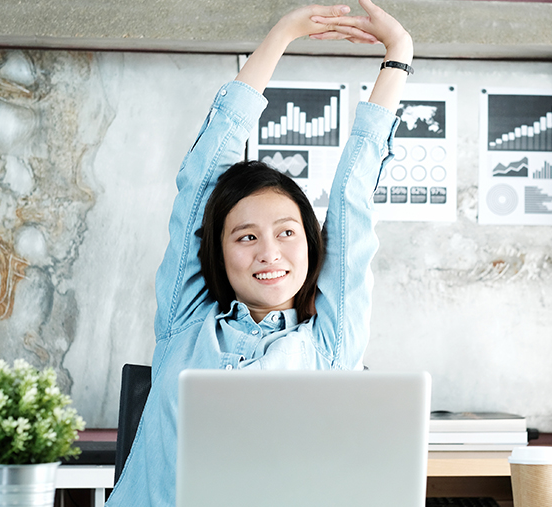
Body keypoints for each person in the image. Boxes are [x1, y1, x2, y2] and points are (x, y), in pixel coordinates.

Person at [107, 1, 413, 504]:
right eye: (246, 237)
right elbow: (203, 175)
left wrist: (398, 56)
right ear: (220, 252)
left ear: (312, 247)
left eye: (287, 233)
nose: (270, 252)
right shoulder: (186, 322)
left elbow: (353, 200)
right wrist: (283, 34)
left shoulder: (330, 342)